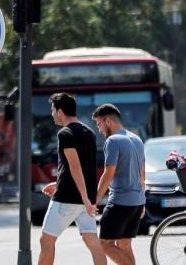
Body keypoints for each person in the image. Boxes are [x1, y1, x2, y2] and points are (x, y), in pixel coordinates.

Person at [38, 93, 106, 265]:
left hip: (67, 199)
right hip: (86, 200)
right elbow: (82, 168)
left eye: (53, 110)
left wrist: (83, 197)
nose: (52, 114)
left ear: (60, 112)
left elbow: (75, 166)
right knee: (92, 242)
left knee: (46, 241)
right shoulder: (89, 132)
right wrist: (86, 199)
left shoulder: (65, 134)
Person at [92, 104, 146, 265]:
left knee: (105, 244)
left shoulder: (113, 141)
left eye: (99, 124)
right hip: (137, 201)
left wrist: (93, 200)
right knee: (124, 244)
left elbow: (108, 174)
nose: (99, 129)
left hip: (120, 203)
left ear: (108, 121)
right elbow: (142, 175)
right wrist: (143, 202)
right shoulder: (137, 139)